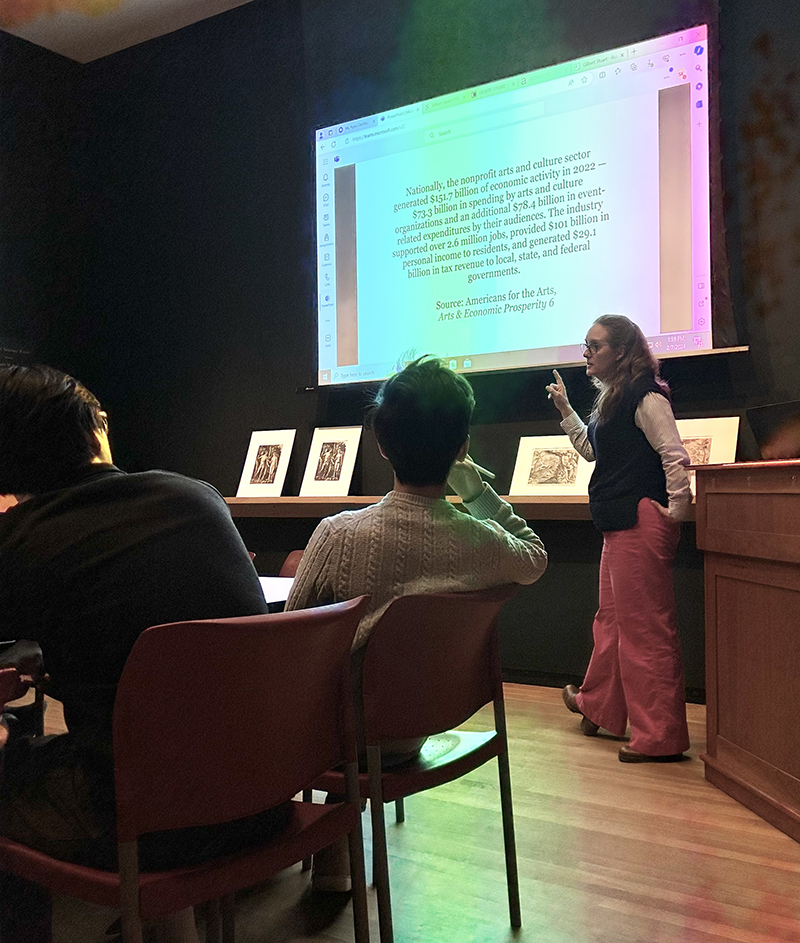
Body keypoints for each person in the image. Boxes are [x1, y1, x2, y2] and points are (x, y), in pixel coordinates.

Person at [0, 365, 287, 943]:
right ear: (96, 432)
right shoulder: (197, 497)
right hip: (267, 794)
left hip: (148, 825)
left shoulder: (25, 541)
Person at [285, 356, 547, 889]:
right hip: (425, 725)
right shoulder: (482, 542)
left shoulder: (338, 535)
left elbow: (292, 645)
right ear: (461, 447)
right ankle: (336, 857)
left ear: (381, 443)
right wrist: (476, 493)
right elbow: (535, 556)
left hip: (344, 737)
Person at [546, 315, 692, 763]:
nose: (586, 353)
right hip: (619, 523)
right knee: (610, 620)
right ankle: (599, 706)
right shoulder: (613, 400)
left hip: (639, 523)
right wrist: (568, 411)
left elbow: (675, 457)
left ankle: (660, 737)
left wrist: (677, 512)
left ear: (623, 352)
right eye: (585, 344)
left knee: (645, 630)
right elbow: (593, 451)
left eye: (594, 345)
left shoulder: (646, 397)